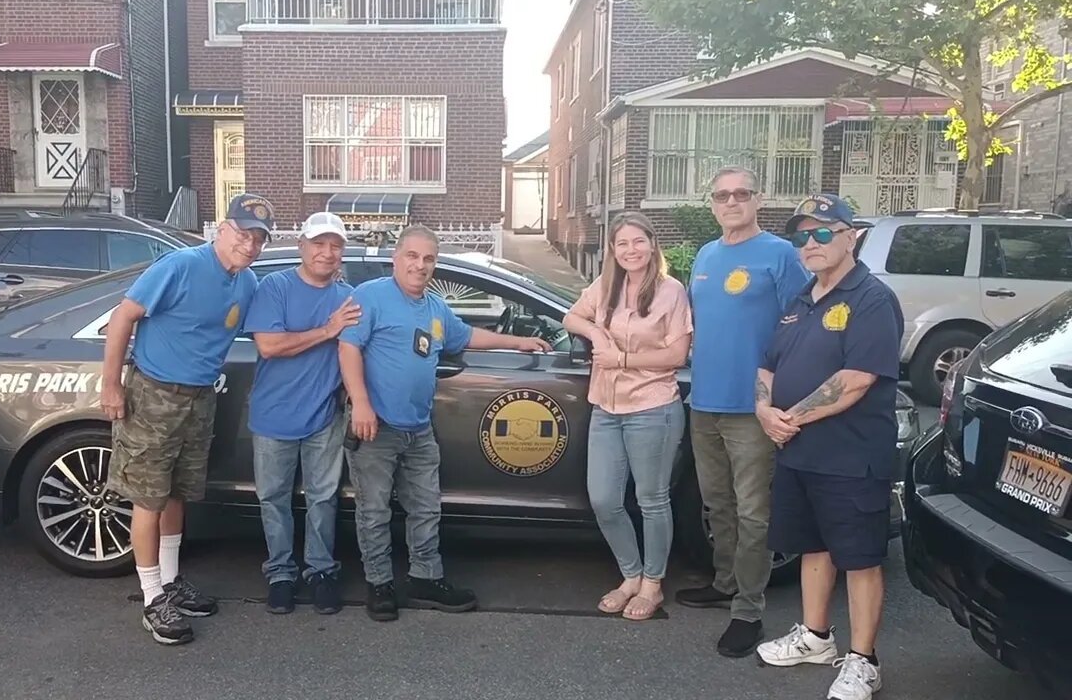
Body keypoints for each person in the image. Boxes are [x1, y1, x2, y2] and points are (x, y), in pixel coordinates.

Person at [338, 224, 552, 622]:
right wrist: (362, 403)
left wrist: (518, 342)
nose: (420, 266)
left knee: (425, 507)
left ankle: (425, 577)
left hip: (418, 429)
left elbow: (467, 335)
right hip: (376, 426)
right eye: (412, 256)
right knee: (374, 510)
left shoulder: (434, 308)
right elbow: (348, 347)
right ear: (395, 258)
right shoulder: (371, 296)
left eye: (428, 259)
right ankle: (379, 585)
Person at [100, 192, 273, 645]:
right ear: (221, 228)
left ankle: (172, 580)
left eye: (258, 239)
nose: (250, 245)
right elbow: (123, 318)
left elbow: (268, 331)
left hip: (200, 398)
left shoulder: (248, 282)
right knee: (148, 497)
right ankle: (152, 596)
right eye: (242, 234)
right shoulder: (181, 266)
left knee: (177, 494)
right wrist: (111, 384)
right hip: (154, 394)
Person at [754, 194, 903, 700]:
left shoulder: (872, 300)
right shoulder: (801, 299)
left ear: (850, 236)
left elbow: (857, 379)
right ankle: (816, 637)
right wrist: (762, 409)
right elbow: (768, 364)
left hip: (850, 456)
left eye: (822, 233)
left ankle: (865, 661)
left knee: (860, 559)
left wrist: (789, 418)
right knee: (812, 547)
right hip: (799, 452)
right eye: (802, 236)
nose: (810, 244)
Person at [678, 166, 812, 658]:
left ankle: (748, 612)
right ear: (711, 203)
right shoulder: (707, 257)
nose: (731, 202)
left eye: (741, 194)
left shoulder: (779, 255)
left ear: (759, 199)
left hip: (753, 408)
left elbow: (798, 327)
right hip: (704, 401)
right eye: (721, 195)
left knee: (755, 511)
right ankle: (725, 582)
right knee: (718, 504)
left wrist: (778, 396)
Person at [562, 212, 693, 621]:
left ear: (652, 245)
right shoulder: (606, 287)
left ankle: (652, 584)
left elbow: (677, 355)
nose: (631, 250)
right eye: (622, 244)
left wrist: (621, 358)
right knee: (603, 499)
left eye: (638, 242)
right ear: (612, 251)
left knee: (651, 500)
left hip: (653, 407)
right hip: (606, 407)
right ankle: (630, 575)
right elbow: (571, 316)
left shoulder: (671, 291)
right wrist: (597, 333)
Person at [244, 211, 358, 615]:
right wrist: (328, 330)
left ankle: (321, 571)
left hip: (324, 416)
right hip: (273, 416)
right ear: (302, 246)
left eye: (335, 245)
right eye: (319, 244)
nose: (327, 253)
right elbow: (270, 346)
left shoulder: (348, 297)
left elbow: (357, 351)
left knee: (323, 498)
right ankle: (280, 574)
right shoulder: (274, 286)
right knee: (273, 498)